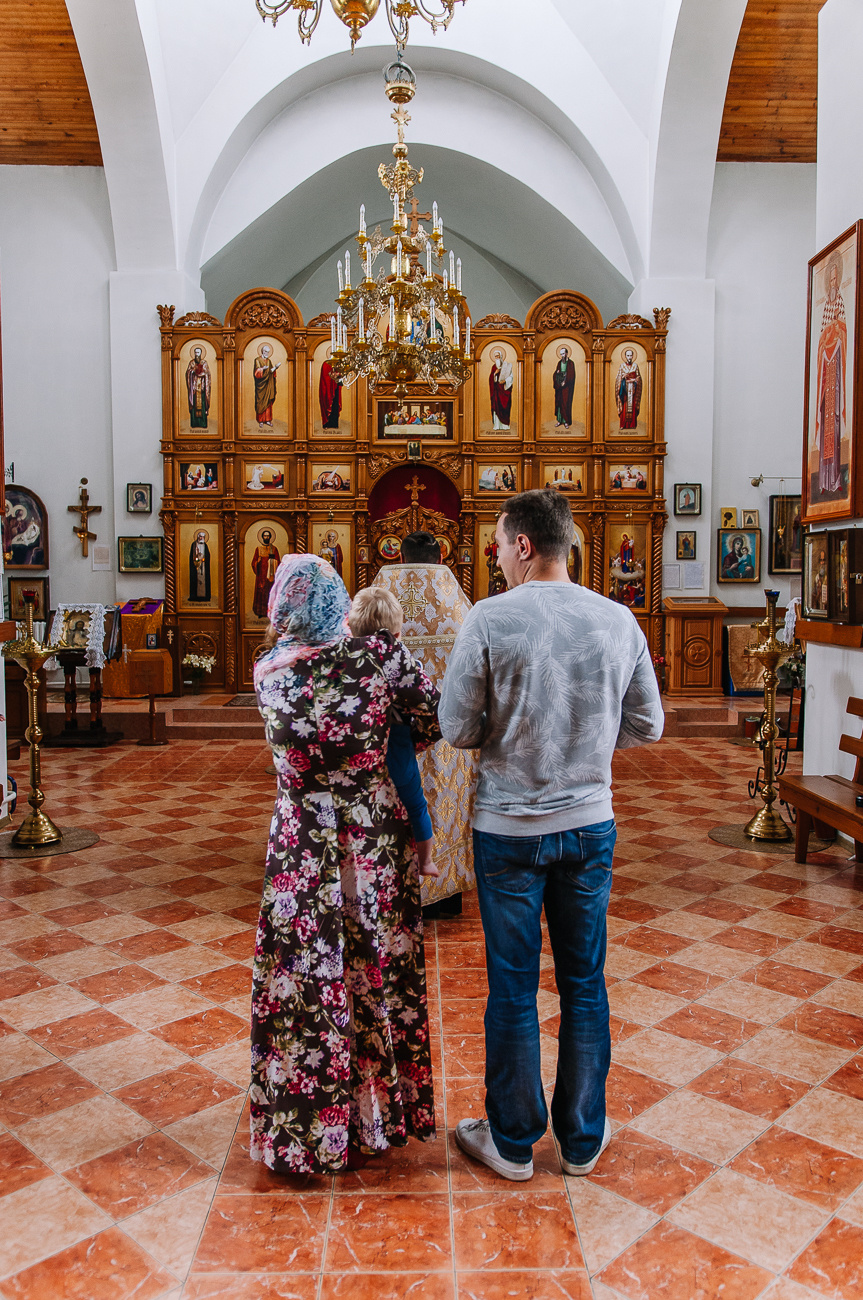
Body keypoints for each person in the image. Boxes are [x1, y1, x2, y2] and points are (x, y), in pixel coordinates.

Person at [439, 489, 663, 1182]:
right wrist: (585, 748)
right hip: (589, 824)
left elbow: (457, 727)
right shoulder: (616, 619)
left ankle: (509, 1143)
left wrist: (512, 739)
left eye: (499, 546)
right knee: (583, 983)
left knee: (512, 986)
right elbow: (648, 724)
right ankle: (579, 1141)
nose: (497, 558)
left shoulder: (489, 617)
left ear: (524, 545)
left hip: (507, 830)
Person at [250, 553, 441, 1175]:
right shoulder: (380, 657)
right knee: (371, 968)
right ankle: (376, 1117)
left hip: (298, 842)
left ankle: (304, 1130)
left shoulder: (267, 672)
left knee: (306, 978)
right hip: (370, 838)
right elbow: (433, 717)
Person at [374, 531, 477, 919]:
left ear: (401, 555)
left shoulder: (378, 597)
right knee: (441, 804)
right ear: (440, 555)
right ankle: (444, 894)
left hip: (389, 733)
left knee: (396, 806)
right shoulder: (456, 603)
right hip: (445, 733)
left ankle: (391, 890)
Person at [348, 587, 438, 881]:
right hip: (395, 741)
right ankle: (426, 861)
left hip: (354, 746)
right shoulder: (396, 656)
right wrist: (418, 739)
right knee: (414, 802)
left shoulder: (341, 655)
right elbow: (432, 704)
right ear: (397, 634)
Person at [815, 253, 846, 496]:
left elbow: (842, 329)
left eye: (836, 279)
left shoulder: (841, 303)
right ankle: (823, 481)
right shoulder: (827, 306)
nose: (834, 284)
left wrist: (836, 332)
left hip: (836, 365)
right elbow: (823, 335)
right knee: (826, 420)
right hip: (827, 370)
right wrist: (828, 334)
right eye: (831, 280)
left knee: (834, 422)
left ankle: (834, 480)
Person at [251, 528, 281, 618]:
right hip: (261, 576)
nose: (266, 537)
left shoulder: (274, 549)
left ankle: (271, 612)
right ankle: (260, 612)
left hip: (270, 576)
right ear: (262, 537)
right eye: (265, 536)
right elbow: (253, 563)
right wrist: (258, 562)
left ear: (270, 537)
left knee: (270, 592)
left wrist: (273, 561)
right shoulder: (258, 549)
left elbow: (278, 562)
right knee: (261, 593)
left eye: (268, 536)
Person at [615, 346, 642, 430]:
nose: (629, 357)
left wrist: (636, 380)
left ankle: (632, 424)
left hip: (633, 389)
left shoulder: (635, 366)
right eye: (628, 355)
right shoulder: (622, 366)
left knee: (632, 406)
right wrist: (623, 377)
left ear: (632, 356)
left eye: (631, 355)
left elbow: (638, 377)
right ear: (625, 356)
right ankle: (623, 424)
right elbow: (618, 378)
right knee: (624, 406)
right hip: (625, 390)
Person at [254, 343, 280, 426]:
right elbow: (256, 373)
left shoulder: (268, 361)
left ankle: (268, 420)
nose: (266, 353)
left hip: (268, 384)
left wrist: (275, 367)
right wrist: (262, 369)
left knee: (268, 402)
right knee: (261, 402)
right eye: (265, 351)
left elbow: (270, 372)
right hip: (261, 385)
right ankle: (261, 421)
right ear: (262, 351)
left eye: (268, 352)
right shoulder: (257, 360)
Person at [185, 345, 211, 429]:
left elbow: (207, 374)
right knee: (194, 405)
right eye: (195, 352)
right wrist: (192, 372)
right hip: (194, 389)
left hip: (202, 388)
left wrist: (202, 373)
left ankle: (202, 423)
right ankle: (194, 423)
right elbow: (188, 373)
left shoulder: (204, 363)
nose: (196, 354)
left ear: (201, 353)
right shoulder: (191, 363)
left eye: (198, 353)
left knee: (202, 405)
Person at [489, 349, 514, 430]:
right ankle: (497, 425)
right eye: (495, 356)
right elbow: (491, 379)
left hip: (505, 390)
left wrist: (505, 381)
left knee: (505, 407)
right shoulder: (494, 367)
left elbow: (511, 377)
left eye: (498, 356)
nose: (497, 358)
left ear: (501, 356)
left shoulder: (506, 366)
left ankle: (505, 425)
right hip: (496, 392)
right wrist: (495, 373)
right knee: (497, 407)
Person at [553, 346, 576, 428]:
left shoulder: (570, 363)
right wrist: (557, 374)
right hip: (559, 387)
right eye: (561, 354)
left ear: (566, 353)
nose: (562, 355)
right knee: (559, 403)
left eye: (563, 353)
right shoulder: (559, 363)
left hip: (567, 388)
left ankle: (566, 421)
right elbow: (556, 373)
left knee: (566, 403)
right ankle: (559, 420)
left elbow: (571, 375)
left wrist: (565, 382)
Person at [319, 346, 342, 430]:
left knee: (335, 406)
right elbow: (325, 377)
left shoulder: (338, 364)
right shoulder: (326, 364)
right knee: (328, 406)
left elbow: (341, 375)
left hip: (335, 390)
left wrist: (338, 375)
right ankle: (327, 424)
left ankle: (335, 424)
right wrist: (332, 376)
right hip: (327, 390)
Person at [189, 530, 211, 602]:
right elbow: (192, 555)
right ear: (198, 537)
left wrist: (204, 559)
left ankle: (205, 596)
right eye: (200, 537)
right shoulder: (194, 545)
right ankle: (194, 596)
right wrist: (196, 559)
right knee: (195, 579)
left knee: (204, 579)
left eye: (203, 537)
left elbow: (208, 555)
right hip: (196, 565)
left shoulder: (205, 545)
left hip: (204, 565)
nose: (201, 538)